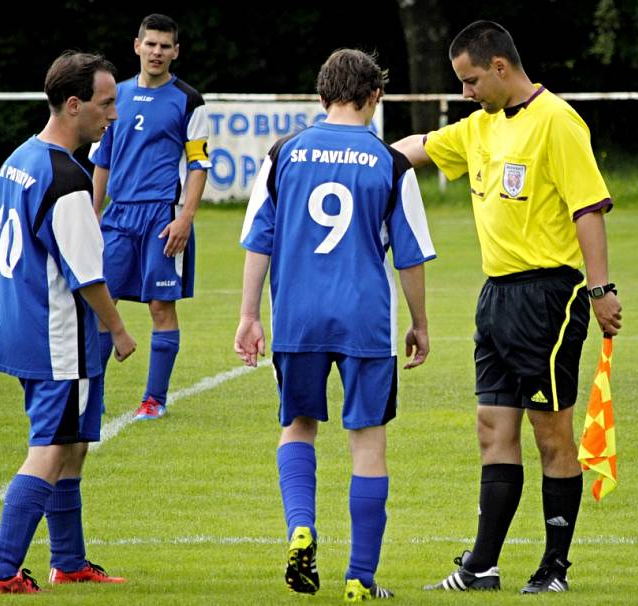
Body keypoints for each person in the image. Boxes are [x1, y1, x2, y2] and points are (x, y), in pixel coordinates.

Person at [393, 20, 623, 594]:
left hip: (549, 295)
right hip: (495, 294)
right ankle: (482, 568)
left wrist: (600, 289)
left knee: (551, 433)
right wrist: (344, 150)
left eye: (470, 81)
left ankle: (554, 568)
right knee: (493, 428)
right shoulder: (479, 128)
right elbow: (415, 149)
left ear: (499, 67)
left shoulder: (558, 121)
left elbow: (588, 209)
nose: (465, 93)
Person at [235, 49, 436, 602]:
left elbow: (259, 240)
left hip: (297, 316)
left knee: (297, 425)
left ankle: (301, 526)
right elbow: (410, 256)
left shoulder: (283, 153)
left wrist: (250, 316)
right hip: (365, 320)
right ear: (375, 98)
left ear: (321, 97)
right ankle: (359, 579)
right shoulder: (392, 163)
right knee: (367, 442)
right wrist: (419, 323)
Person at [0, 51, 137, 594]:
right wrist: (118, 329)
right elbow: (87, 275)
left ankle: (70, 561)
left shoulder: (18, 160)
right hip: (60, 341)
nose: (113, 115)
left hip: (24, 334)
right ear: (75, 104)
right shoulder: (67, 180)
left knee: (74, 443)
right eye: (106, 104)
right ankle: (2, 569)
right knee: (52, 447)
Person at [90, 13, 211, 420]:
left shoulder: (189, 101)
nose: (157, 52)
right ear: (137, 45)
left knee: (161, 307)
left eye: (165, 46)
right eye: (151, 44)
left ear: (175, 51)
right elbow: (102, 161)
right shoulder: (113, 95)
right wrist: (92, 215)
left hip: (163, 217)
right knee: (101, 304)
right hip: (118, 217)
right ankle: (93, 398)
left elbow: (198, 165)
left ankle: (153, 400)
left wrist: (185, 218)